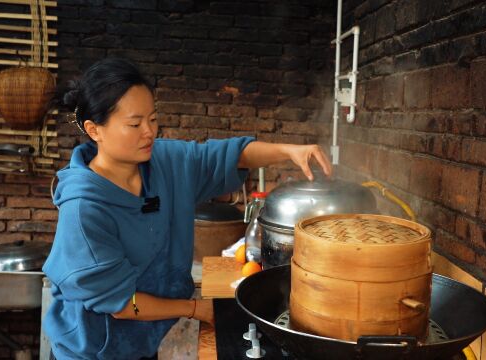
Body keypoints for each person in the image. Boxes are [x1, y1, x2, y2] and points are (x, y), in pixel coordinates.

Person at [43, 57, 332, 360]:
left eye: (152, 119)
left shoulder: (165, 162)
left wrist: (288, 151)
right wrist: (195, 308)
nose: (149, 132)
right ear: (94, 130)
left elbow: (230, 156)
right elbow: (123, 305)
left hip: (141, 344)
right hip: (92, 351)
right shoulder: (84, 209)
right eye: (134, 123)